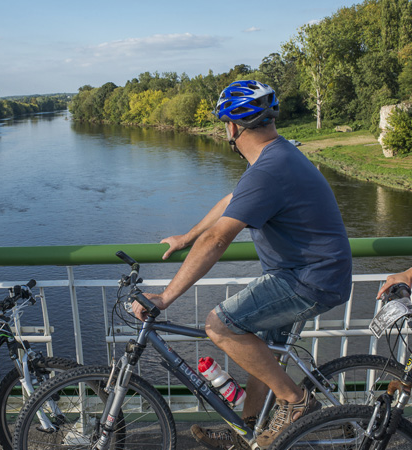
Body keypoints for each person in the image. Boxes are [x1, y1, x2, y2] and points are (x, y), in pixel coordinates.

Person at [132, 80, 353, 449]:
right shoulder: (276, 156)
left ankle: (296, 403)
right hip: (310, 273)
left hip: (307, 279)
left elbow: (218, 239)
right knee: (260, 357)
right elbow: (232, 200)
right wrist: (186, 238)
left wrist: (165, 297)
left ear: (232, 128)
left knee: (220, 325)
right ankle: (249, 431)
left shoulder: (269, 169)